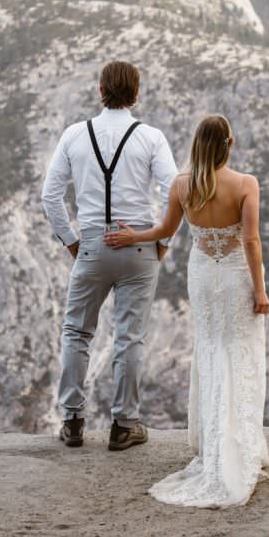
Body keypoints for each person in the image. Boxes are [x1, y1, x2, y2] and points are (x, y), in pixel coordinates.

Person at [104, 114, 269, 508]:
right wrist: (260, 291)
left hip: (202, 276)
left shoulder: (183, 185)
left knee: (212, 350)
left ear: (197, 143)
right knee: (239, 353)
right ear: (229, 143)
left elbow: (165, 230)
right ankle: (238, 447)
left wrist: (134, 235)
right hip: (235, 276)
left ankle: (213, 446)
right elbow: (251, 241)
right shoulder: (246, 184)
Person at [41, 61, 178, 451]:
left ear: (101, 89)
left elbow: (50, 197)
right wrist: (162, 241)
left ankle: (72, 421)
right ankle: (124, 424)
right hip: (139, 244)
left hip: (92, 245)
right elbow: (177, 194)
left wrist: (72, 241)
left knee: (76, 331)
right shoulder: (150, 137)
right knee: (129, 336)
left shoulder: (74, 135)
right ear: (136, 94)